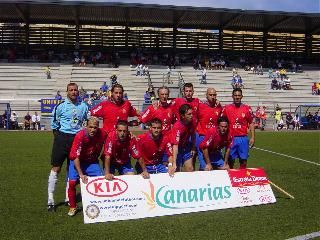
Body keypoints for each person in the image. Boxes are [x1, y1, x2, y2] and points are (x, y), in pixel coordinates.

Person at [47, 83, 88, 212]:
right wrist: (59, 137)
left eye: (76, 90)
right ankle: (50, 200)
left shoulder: (84, 106)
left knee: (71, 169)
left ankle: (67, 198)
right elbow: (54, 124)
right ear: (67, 92)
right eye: (71, 90)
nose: (74, 92)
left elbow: (89, 120)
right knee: (56, 168)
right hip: (62, 139)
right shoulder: (60, 106)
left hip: (76, 140)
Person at [67, 117, 106, 216]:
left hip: (92, 162)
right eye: (91, 127)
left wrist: (130, 135)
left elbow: (114, 135)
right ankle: (73, 206)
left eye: (95, 127)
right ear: (86, 126)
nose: (93, 130)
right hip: (77, 161)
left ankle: (99, 203)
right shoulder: (80, 136)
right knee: (72, 183)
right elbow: (75, 156)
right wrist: (81, 174)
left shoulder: (102, 133)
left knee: (100, 180)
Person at [221, 88, 255, 169]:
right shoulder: (227, 108)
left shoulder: (247, 108)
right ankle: (231, 178)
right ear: (232, 96)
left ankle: (242, 178)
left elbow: (251, 123)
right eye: (235, 95)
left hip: (243, 138)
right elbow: (221, 122)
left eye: (239, 95)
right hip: (231, 138)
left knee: (243, 161)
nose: (237, 97)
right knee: (230, 160)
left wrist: (253, 137)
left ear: (242, 96)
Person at [196, 88, 222, 170]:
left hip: (214, 138)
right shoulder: (200, 106)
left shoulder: (219, 108)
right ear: (206, 95)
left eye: (214, 95)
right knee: (204, 166)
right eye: (210, 95)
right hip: (202, 137)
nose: (213, 97)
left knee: (219, 165)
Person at [170, 104, 197, 173]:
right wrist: (174, 163)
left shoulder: (192, 121)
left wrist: (193, 147)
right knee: (177, 169)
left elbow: (193, 134)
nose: (192, 116)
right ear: (182, 116)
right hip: (176, 148)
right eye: (189, 114)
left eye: (192, 113)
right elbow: (175, 145)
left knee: (190, 169)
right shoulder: (178, 127)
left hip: (186, 146)